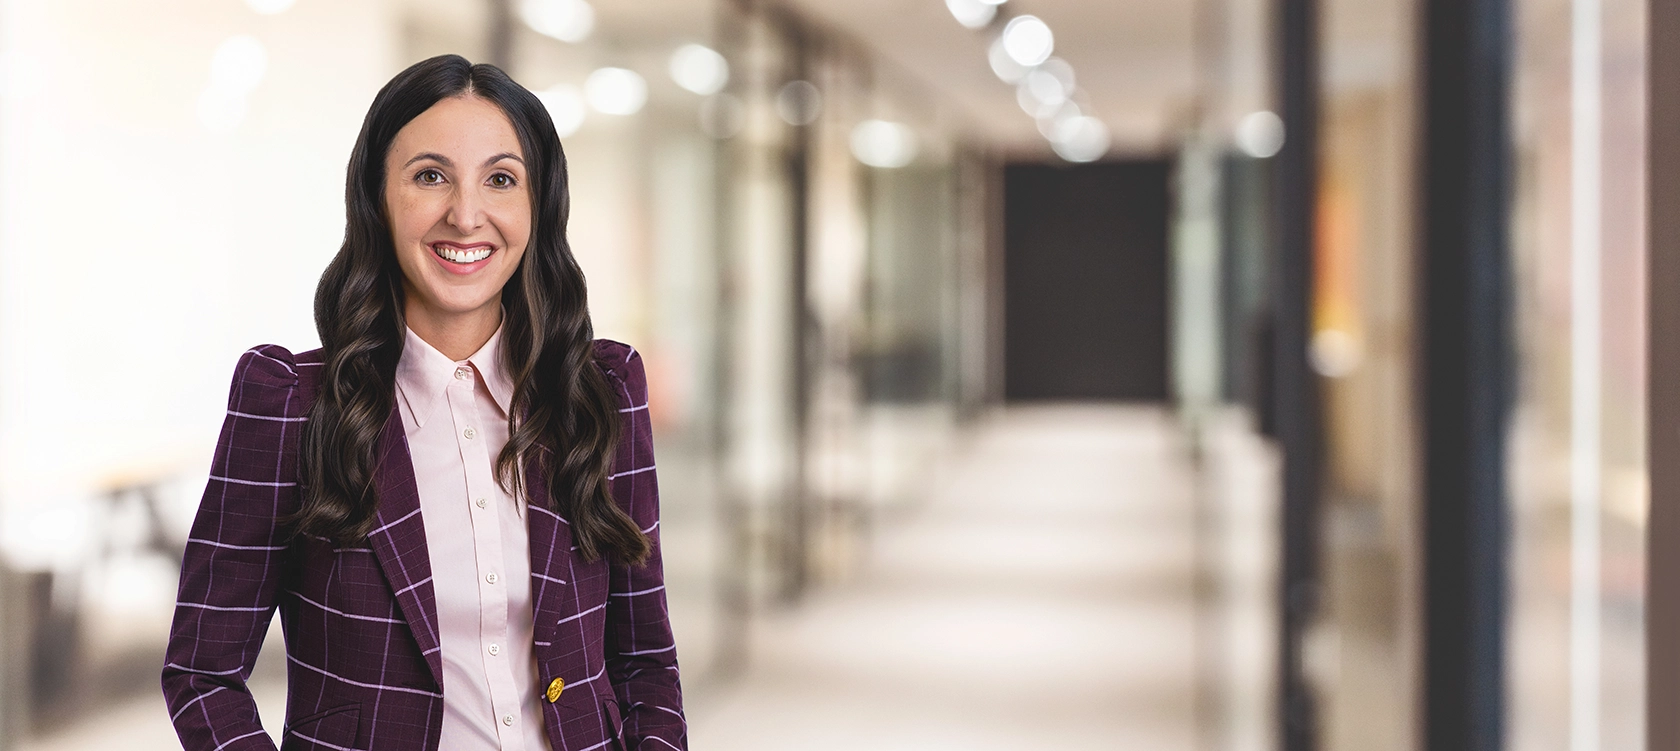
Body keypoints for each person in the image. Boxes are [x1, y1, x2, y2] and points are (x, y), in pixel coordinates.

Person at [161, 54, 686, 751]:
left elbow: (645, 661)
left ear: (538, 204)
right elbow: (201, 672)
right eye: (430, 175)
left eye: (500, 179)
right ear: (379, 197)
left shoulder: (600, 393)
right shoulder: (291, 405)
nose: (466, 215)